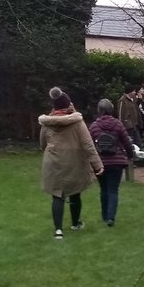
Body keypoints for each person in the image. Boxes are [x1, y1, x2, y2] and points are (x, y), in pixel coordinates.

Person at [39, 87, 102, 239]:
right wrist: (97, 164)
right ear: (68, 105)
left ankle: (58, 231)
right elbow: (88, 144)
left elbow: (42, 143)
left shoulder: (47, 123)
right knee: (75, 192)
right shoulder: (77, 122)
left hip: (53, 161)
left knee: (57, 195)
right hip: (74, 161)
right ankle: (75, 223)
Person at [89, 98, 136, 226]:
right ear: (111, 110)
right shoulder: (118, 124)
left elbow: (89, 145)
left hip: (100, 163)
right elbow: (126, 142)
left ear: (99, 110)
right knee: (113, 190)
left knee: (103, 189)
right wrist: (130, 156)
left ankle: (105, 216)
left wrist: (90, 161)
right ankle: (111, 218)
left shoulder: (94, 126)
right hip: (117, 162)